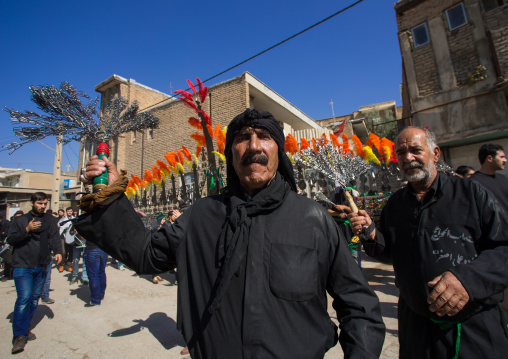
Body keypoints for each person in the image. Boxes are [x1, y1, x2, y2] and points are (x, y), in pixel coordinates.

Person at [75, 108, 385, 358]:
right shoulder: (200, 216)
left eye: (264, 137)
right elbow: (145, 254)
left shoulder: (314, 219)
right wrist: (111, 198)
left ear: (278, 151)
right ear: (231, 153)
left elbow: (359, 306)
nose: (253, 146)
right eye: (242, 138)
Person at [349, 127, 508, 358]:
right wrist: (372, 234)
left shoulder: (470, 193)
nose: (408, 158)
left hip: (471, 330)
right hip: (416, 331)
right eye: (401, 153)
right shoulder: (395, 205)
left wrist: (468, 281)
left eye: (415, 150)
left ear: (435, 154)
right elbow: (391, 252)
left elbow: (503, 247)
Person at [7, 192, 62, 354]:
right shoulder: (20, 220)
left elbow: (54, 237)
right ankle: (19, 336)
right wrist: (27, 229)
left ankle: (24, 327)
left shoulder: (50, 220)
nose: (43, 206)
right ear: (32, 203)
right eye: (39, 203)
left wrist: (58, 251)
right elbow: (11, 240)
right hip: (23, 265)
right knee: (24, 299)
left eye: (45, 203)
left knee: (33, 300)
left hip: (41, 265)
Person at [470, 143, 508, 320]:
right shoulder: (471, 185)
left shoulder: (503, 181)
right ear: (489, 158)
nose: (505, 160)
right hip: (490, 250)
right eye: (502, 156)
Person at [58, 207, 75, 272]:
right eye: (68, 211)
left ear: (72, 211)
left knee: (71, 252)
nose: (69, 212)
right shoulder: (63, 219)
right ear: (66, 212)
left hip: (72, 238)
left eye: (70, 211)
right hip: (63, 237)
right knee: (64, 252)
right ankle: (62, 264)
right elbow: (60, 228)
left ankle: (69, 265)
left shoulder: (75, 219)